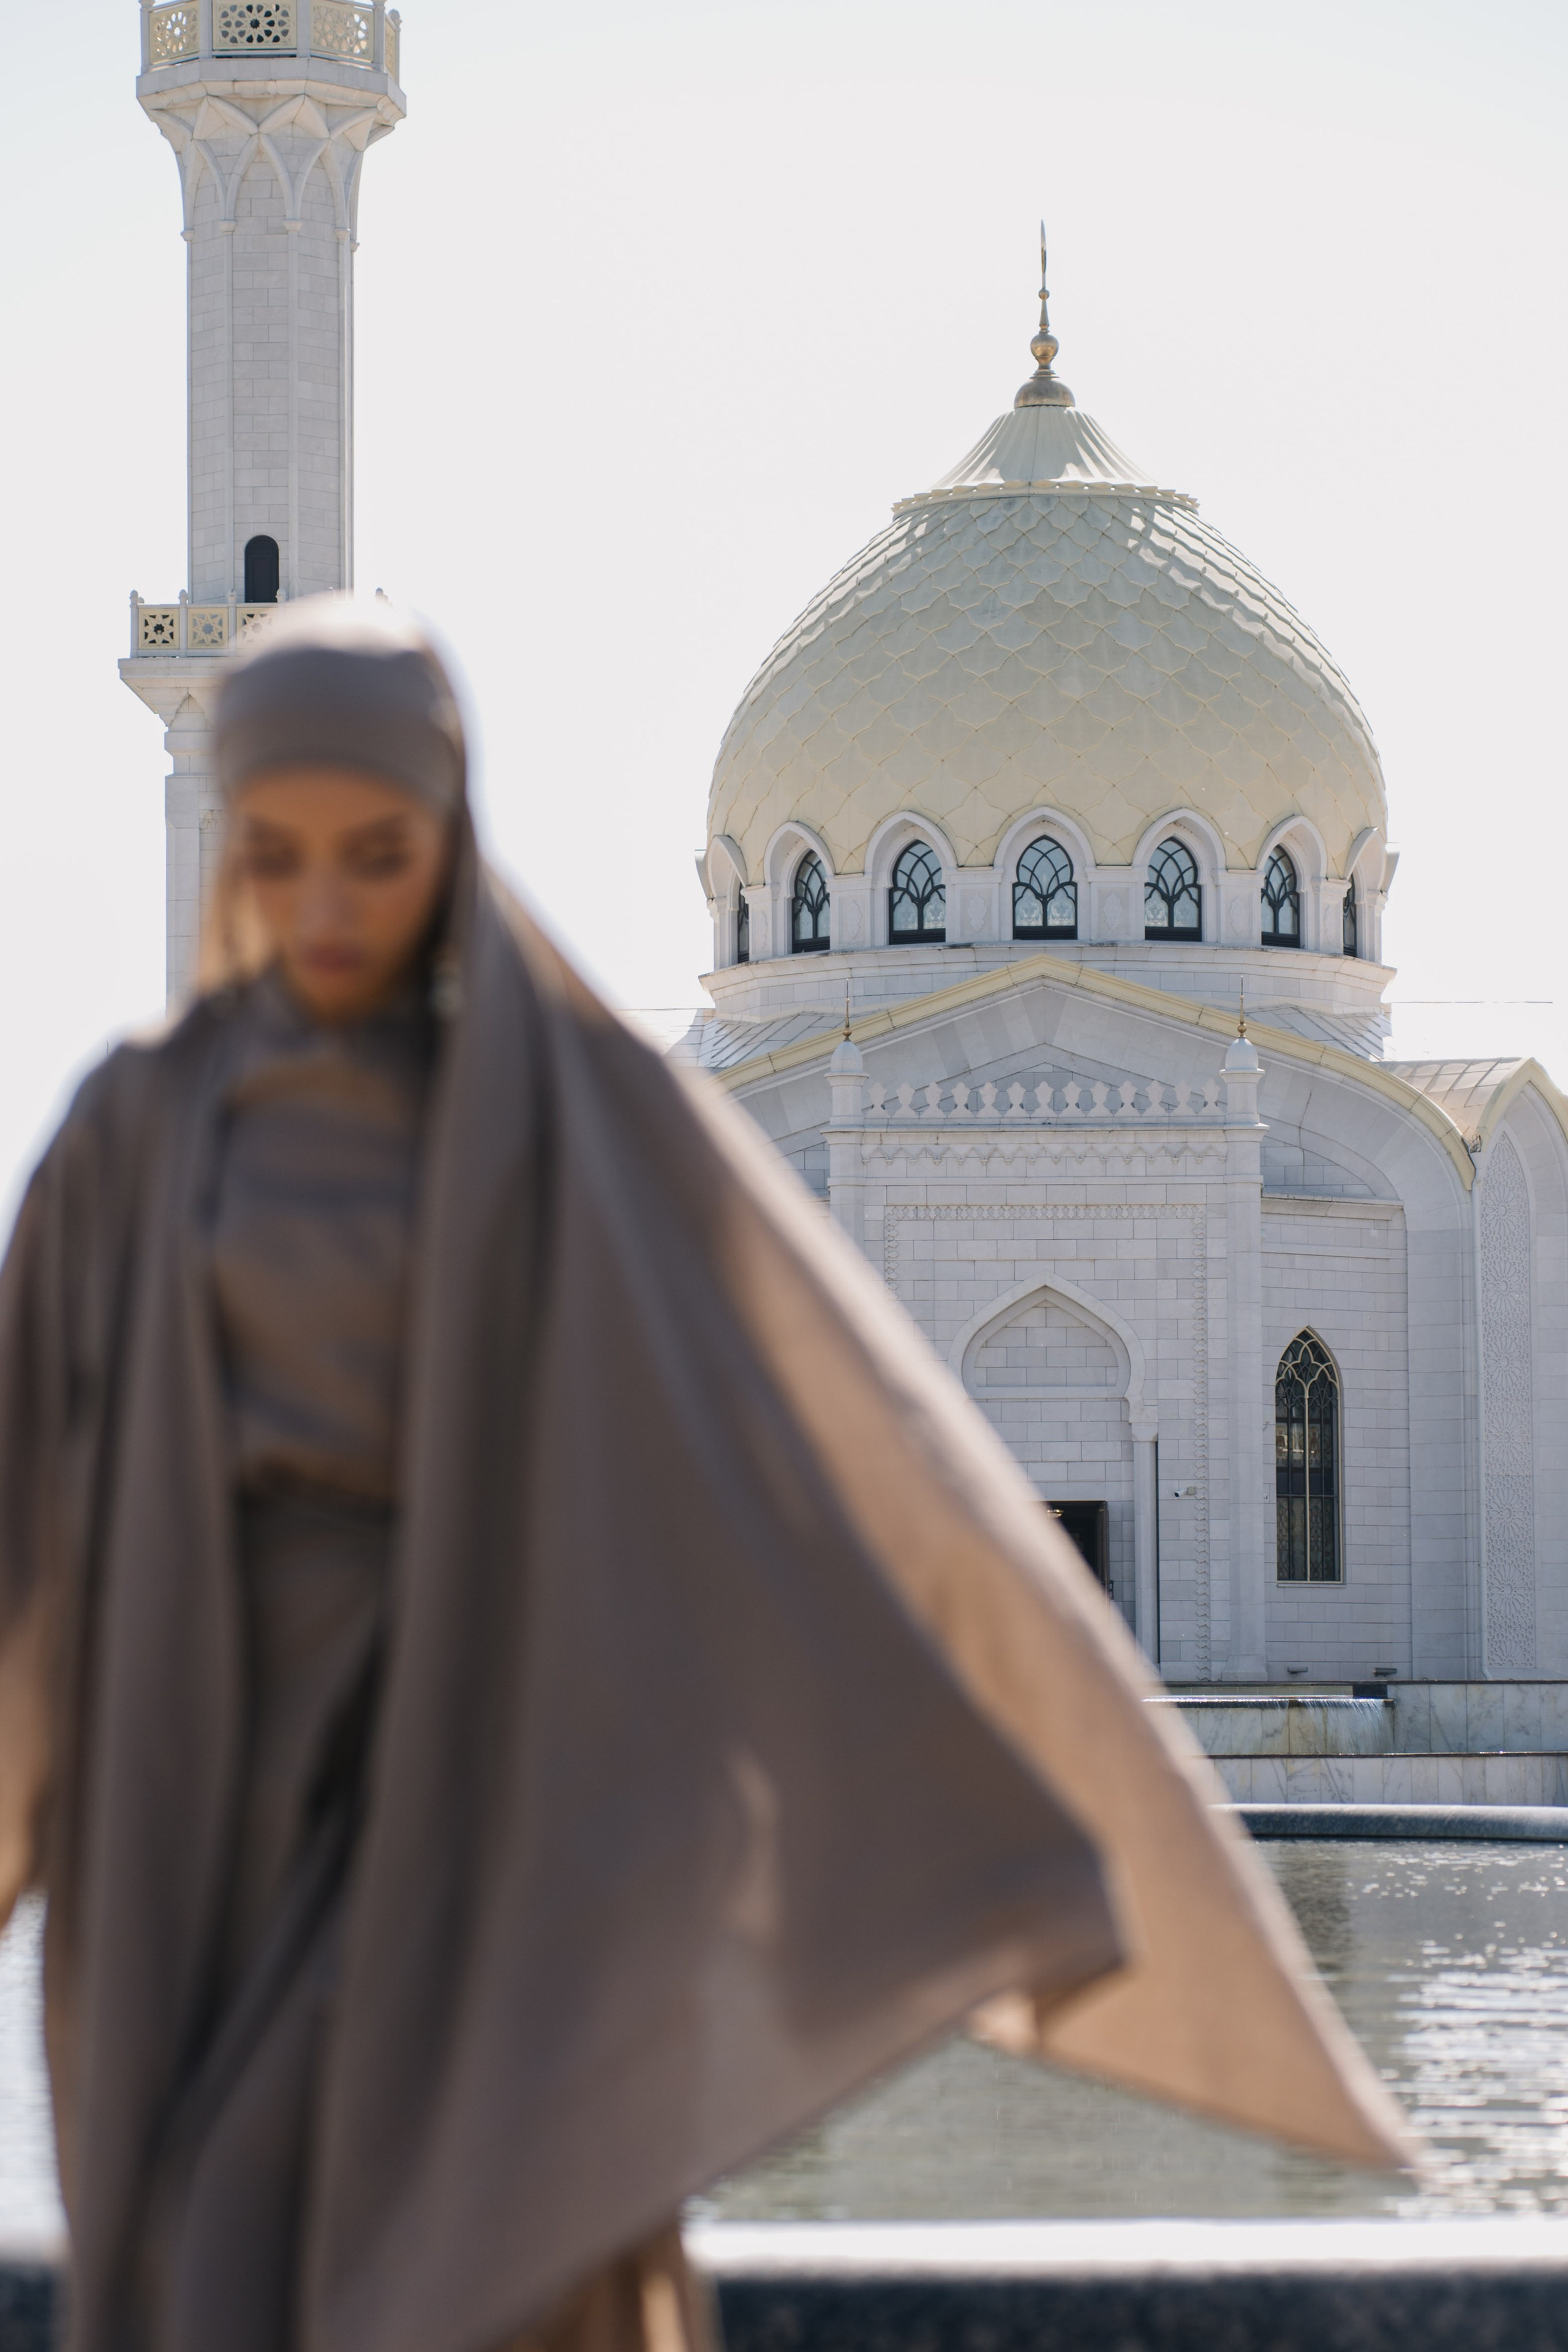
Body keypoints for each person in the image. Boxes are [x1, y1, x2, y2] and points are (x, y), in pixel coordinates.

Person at [0, 600, 1408, 2352]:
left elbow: (849, 1478)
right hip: (208, 1793)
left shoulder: (571, 1107)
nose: (331, 906)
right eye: (278, 854)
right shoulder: (139, 1138)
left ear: (451, 844)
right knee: (223, 2246)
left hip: (494, 1781)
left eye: (380, 853)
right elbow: (28, 1554)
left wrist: (1009, 1832)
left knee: (501, 2241)